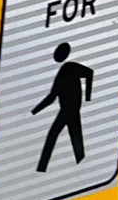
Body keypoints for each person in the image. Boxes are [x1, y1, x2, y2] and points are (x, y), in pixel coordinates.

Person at [33, 42, 93, 172]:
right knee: (75, 137)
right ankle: (82, 164)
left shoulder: (69, 68)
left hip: (70, 111)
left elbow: (89, 72)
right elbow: (52, 96)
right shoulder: (62, 72)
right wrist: (34, 111)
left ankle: (42, 168)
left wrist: (88, 97)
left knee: (54, 136)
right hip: (67, 111)